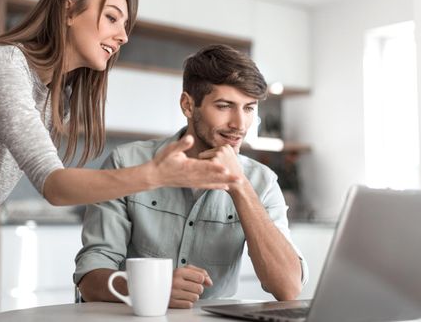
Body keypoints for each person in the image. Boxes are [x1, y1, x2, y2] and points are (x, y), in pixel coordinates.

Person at [0, 0, 238, 321]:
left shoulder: (52, 100)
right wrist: (153, 175)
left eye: (125, 25)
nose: (123, 36)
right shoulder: (3, 65)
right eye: (111, 17)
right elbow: (54, 185)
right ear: (68, 11)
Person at [74, 44, 309, 308]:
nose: (240, 124)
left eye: (249, 108)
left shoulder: (261, 182)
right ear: (188, 105)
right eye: (224, 106)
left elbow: (288, 288)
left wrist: (239, 185)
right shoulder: (126, 163)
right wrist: (149, 288)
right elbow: (90, 277)